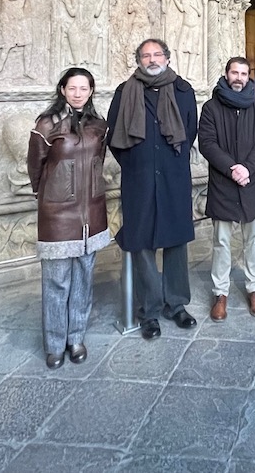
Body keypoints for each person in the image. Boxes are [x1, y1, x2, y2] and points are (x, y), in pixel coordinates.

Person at [107, 39, 199, 340]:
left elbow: (189, 130)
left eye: (157, 54)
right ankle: (149, 310)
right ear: (138, 61)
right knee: (142, 244)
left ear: (167, 58)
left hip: (173, 176)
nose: (152, 59)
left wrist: (171, 160)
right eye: (146, 55)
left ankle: (177, 304)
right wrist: (136, 162)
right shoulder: (125, 91)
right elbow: (114, 135)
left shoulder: (183, 90)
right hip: (140, 178)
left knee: (176, 241)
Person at [27, 67, 110, 368]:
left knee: (83, 281)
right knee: (57, 282)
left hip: (92, 212)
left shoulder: (99, 125)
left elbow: (99, 161)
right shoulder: (47, 124)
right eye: (72, 88)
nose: (78, 93)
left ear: (91, 91)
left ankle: (76, 338)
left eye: (84, 88)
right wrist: (51, 195)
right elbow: (36, 167)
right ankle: (54, 344)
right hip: (58, 214)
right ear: (62, 89)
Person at [199, 57, 255, 321]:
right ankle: (220, 292)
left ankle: (254, 288)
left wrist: (247, 168)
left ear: (248, 76)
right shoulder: (211, 107)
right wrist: (232, 168)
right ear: (226, 74)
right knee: (221, 241)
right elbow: (207, 143)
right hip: (224, 183)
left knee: (253, 239)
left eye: (243, 73)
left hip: (251, 182)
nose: (239, 78)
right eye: (234, 73)